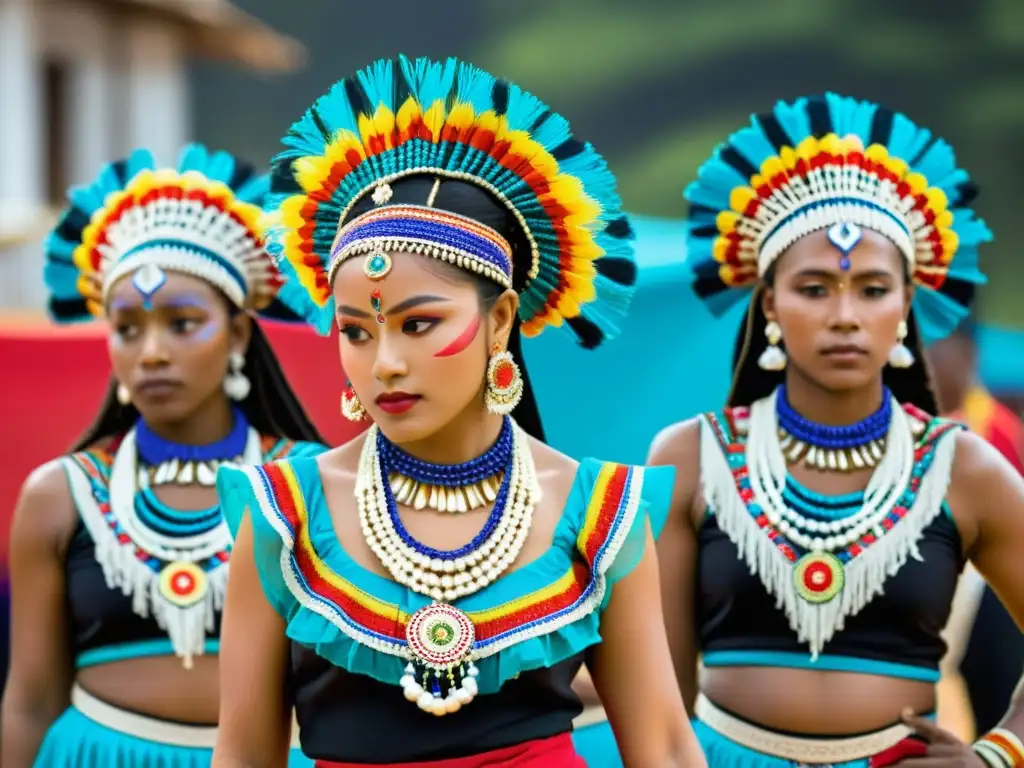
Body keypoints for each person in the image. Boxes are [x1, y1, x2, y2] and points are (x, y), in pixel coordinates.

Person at [211, 55, 704, 768]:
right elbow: (243, 752)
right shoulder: (283, 516)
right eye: (355, 330)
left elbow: (661, 744)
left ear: (500, 320)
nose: (383, 363)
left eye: (417, 324)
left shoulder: (601, 514)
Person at [651, 93, 1024, 767]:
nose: (845, 316)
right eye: (815, 288)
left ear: (908, 303)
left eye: (873, 290)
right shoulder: (690, 456)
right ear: (770, 302)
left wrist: (1000, 751)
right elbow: (660, 691)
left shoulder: (965, 469)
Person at [1, 144, 327, 768]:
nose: (150, 352)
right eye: (127, 328)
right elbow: (29, 701)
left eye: (181, 324)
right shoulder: (58, 496)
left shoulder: (307, 482)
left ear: (237, 333)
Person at [927, 318, 1024, 740]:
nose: (922, 362)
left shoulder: (997, 438)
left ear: (967, 355)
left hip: (992, 597)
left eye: (934, 348)